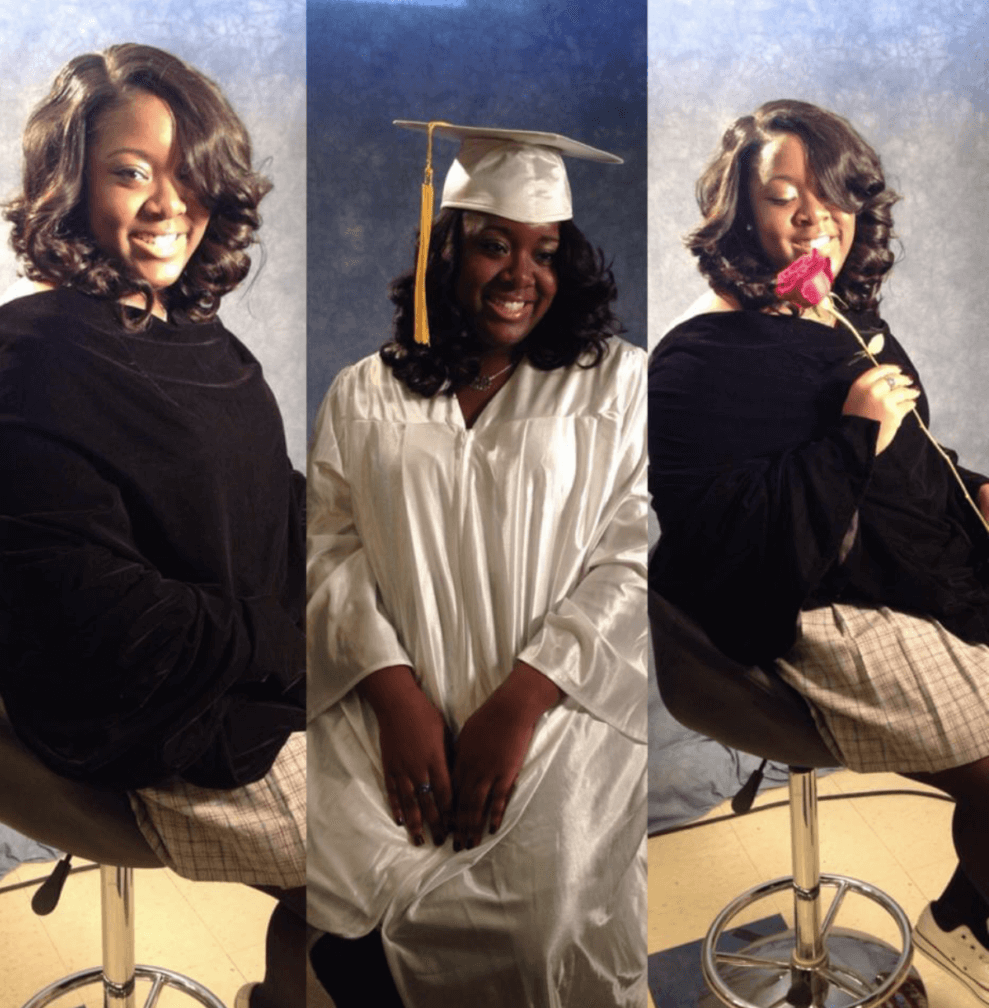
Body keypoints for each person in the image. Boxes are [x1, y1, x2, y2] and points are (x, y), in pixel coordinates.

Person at [0, 45, 305, 1008]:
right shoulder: (26, 366)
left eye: (188, 173)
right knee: (415, 851)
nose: (168, 205)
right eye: (130, 172)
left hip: (250, 680)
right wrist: (292, 645)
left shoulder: (205, 343)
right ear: (66, 185)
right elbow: (104, 630)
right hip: (146, 728)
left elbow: (279, 511)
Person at [649, 99, 989, 1003]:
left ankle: (966, 909)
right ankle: (972, 922)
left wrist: (975, 487)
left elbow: (909, 450)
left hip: (892, 572)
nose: (813, 217)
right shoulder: (693, 360)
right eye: (783, 195)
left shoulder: (838, 311)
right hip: (788, 609)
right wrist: (848, 438)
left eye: (832, 193)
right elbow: (730, 548)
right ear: (739, 214)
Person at [307, 121, 648, 1006]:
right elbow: (327, 547)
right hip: (391, 708)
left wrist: (525, 699)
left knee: (541, 926)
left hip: (560, 707)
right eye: (495, 246)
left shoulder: (617, 384)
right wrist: (390, 691)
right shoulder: (364, 390)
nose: (521, 275)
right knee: (337, 903)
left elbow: (633, 553)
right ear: (446, 251)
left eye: (544, 252)